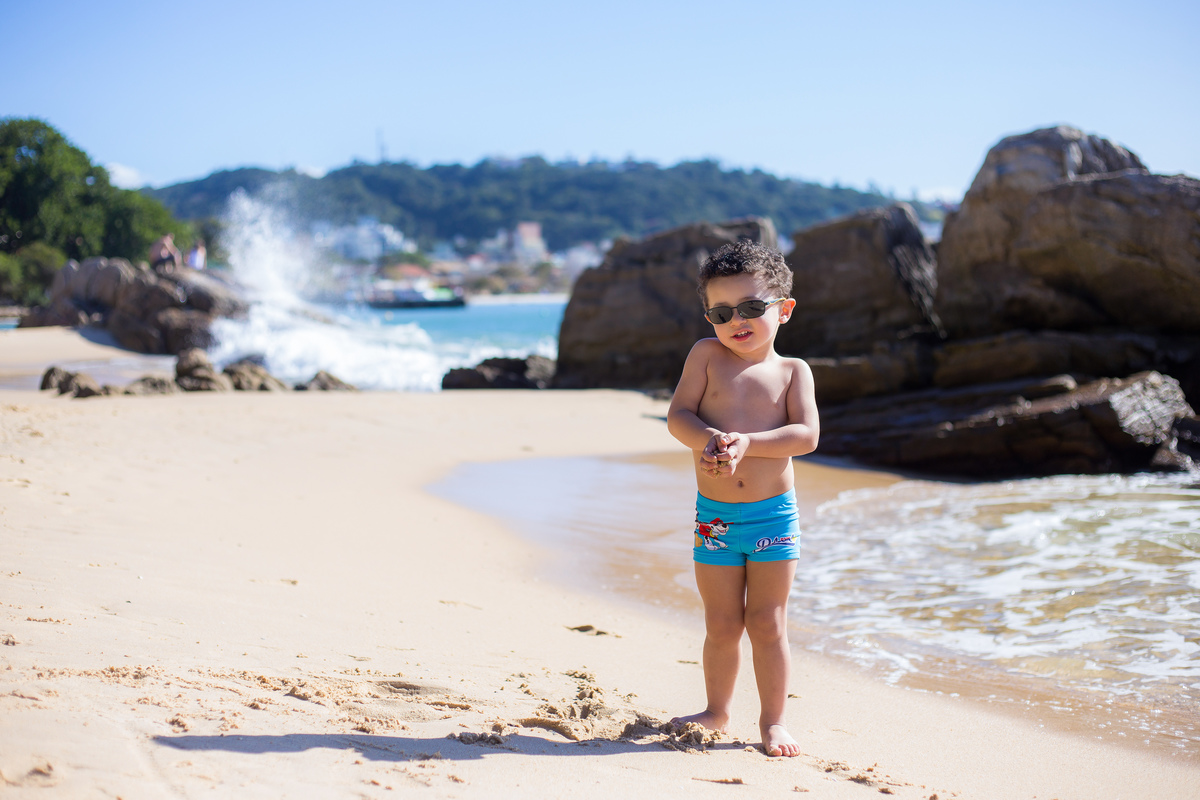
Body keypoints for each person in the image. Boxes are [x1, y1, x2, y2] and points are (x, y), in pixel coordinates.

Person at [666, 239, 819, 758]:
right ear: (709, 317)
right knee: (722, 622)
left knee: (766, 620)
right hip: (714, 519)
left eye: (753, 307)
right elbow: (678, 416)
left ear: (784, 309)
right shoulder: (706, 356)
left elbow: (806, 436)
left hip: (772, 516)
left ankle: (774, 721)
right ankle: (716, 711)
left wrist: (748, 444)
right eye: (722, 312)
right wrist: (707, 438)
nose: (738, 320)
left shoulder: (793, 371)